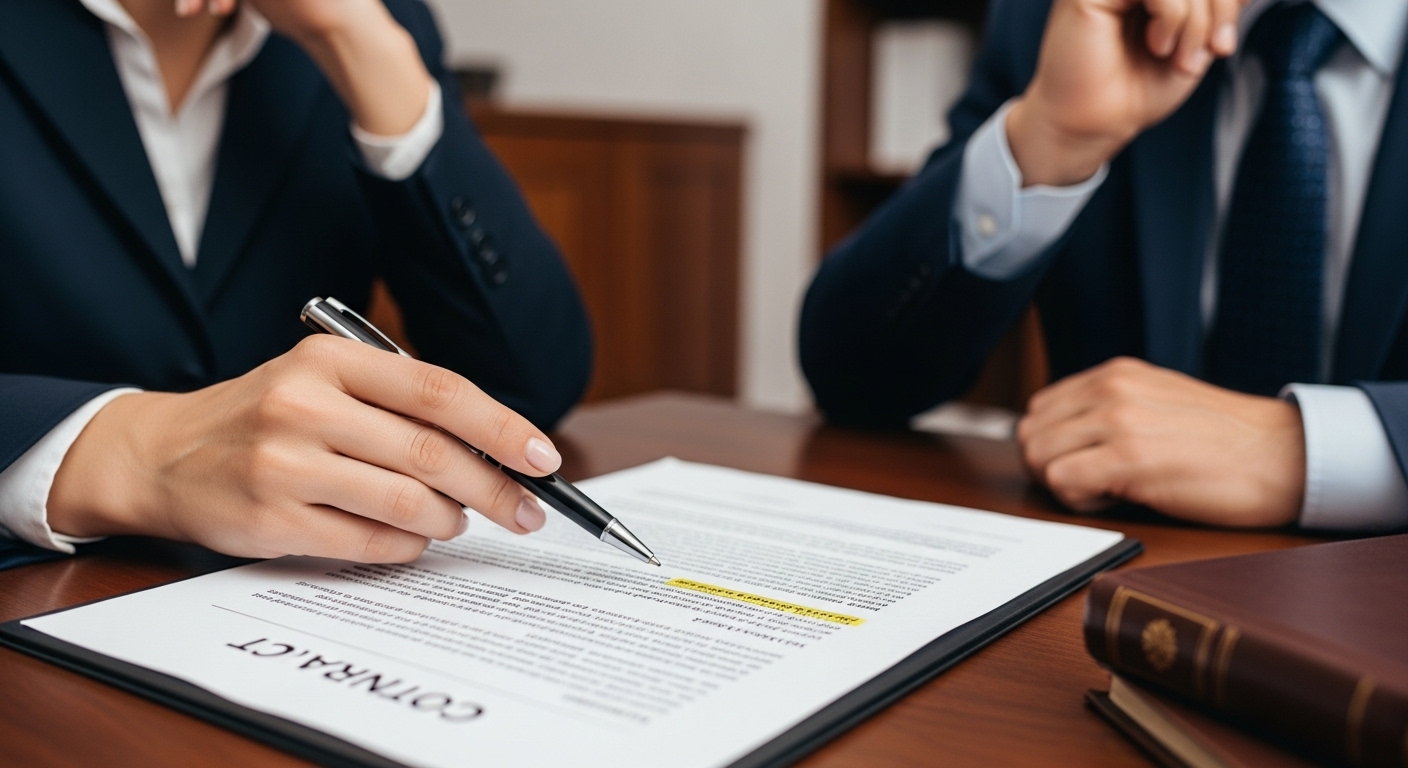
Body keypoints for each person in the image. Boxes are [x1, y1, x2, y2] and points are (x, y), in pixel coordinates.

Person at [0, 0, 593, 568]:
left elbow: (529, 388)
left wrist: (356, 37)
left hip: (289, 579)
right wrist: (136, 456)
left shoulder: (375, 17)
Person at [800, 0, 1408, 531]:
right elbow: (851, 376)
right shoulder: (1070, 15)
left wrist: (1303, 451)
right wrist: (1052, 137)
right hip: (1124, 589)